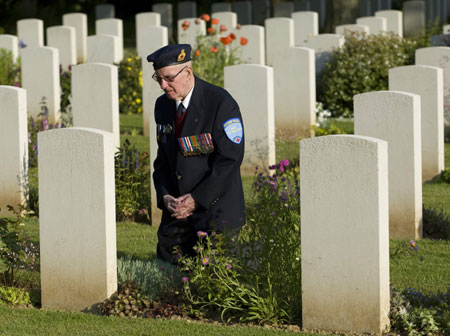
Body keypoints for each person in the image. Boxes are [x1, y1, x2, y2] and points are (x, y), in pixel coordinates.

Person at [147, 44, 245, 264]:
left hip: (215, 212)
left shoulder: (220, 103)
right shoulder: (163, 106)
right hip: (176, 213)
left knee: (216, 286)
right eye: (158, 78)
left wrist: (196, 199)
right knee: (166, 282)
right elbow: (163, 160)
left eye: (169, 78)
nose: (163, 85)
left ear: (188, 72)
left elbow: (229, 160)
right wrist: (165, 197)